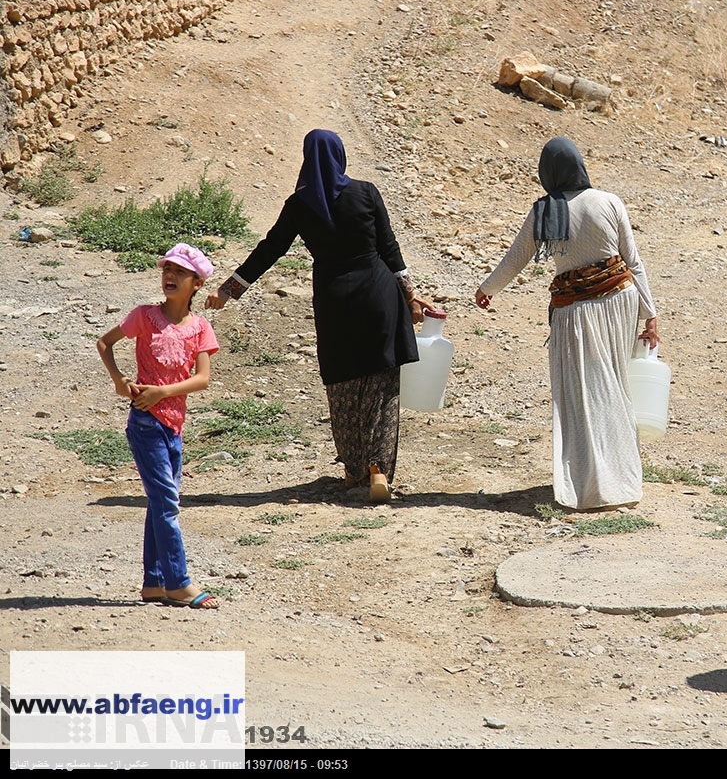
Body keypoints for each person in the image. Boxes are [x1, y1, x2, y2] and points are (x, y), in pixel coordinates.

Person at [206, 129, 431, 502]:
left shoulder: (300, 205)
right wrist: (412, 295)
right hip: (378, 296)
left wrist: (229, 289)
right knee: (381, 383)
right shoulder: (366, 192)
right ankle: (378, 470)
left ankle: (353, 470)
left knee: (343, 385)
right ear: (340, 156)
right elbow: (389, 248)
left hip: (334, 301)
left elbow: (270, 249)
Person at [475, 136, 659, 510]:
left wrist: (486, 288)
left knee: (580, 392)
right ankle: (621, 478)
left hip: (574, 310)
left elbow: (515, 260)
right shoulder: (609, 201)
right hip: (619, 301)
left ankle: (590, 483)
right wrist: (650, 314)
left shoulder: (544, 212)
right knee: (613, 382)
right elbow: (633, 262)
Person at [97, 243, 221, 609]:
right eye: (167, 269)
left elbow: (202, 379)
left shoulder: (200, 328)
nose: (170, 276)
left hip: (174, 425)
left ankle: (154, 584)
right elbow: (105, 343)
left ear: (196, 284)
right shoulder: (144, 316)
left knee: (159, 501)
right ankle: (179, 583)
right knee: (167, 501)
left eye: (179, 272)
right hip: (146, 422)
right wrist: (120, 380)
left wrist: (163, 391)